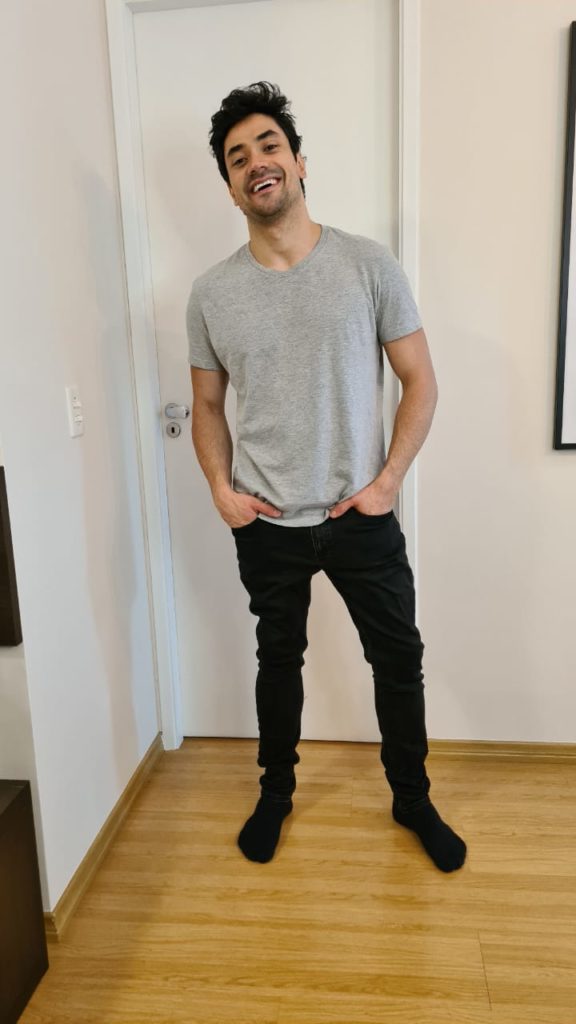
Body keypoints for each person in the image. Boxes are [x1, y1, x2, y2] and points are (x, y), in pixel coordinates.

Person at [186, 82, 466, 873]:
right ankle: (275, 794)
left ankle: (412, 799)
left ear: (299, 163)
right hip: (267, 521)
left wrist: (387, 482)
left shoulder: (367, 264)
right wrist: (220, 488)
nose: (256, 162)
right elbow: (206, 405)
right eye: (237, 157)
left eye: (268, 145)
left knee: (398, 660)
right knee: (278, 661)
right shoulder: (211, 294)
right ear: (230, 187)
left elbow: (421, 380)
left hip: (360, 515)